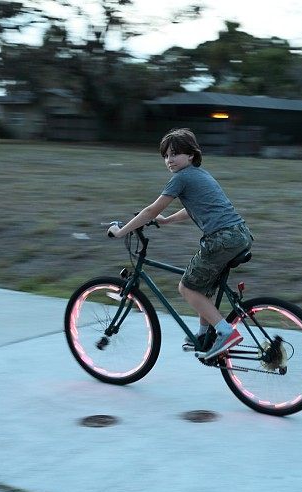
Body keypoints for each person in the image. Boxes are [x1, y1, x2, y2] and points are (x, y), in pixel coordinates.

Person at [107, 128, 253, 360]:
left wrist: (122, 231)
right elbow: (194, 207)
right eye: (166, 156)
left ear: (191, 155)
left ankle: (226, 332)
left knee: (187, 288)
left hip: (221, 239)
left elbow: (151, 210)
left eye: (175, 154)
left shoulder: (181, 178)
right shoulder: (200, 174)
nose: (169, 160)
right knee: (202, 287)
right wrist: (167, 221)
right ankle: (205, 336)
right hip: (239, 234)